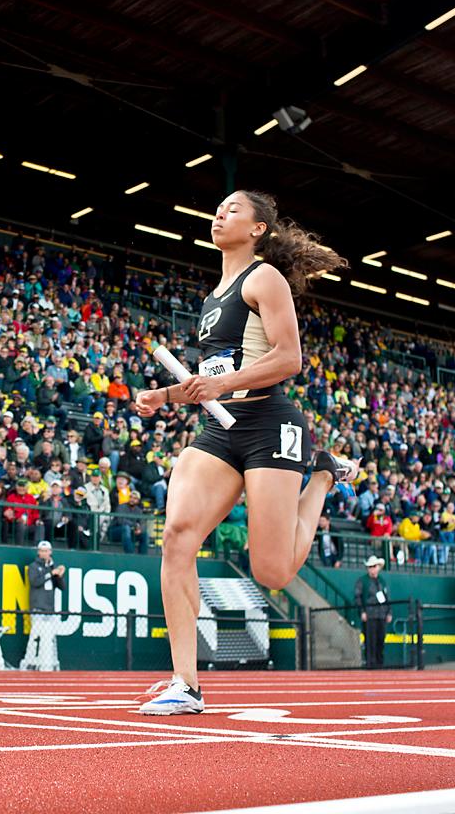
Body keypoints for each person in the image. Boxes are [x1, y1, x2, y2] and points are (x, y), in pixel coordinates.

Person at [135, 191, 358, 715]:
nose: (219, 213)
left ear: (258, 230)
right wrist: (164, 396)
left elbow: (289, 358)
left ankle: (322, 475)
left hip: (269, 425)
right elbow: (212, 378)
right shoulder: (216, 295)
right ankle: (184, 682)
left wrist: (223, 384)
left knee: (272, 572)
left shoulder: (264, 279)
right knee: (177, 536)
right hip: (220, 430)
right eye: (217, 207)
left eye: (234, 209)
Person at [20, 540, 64, 671]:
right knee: (36, 636)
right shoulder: (34, 566)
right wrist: (50, 574)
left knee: (49, 638)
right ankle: (31, 663)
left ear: (50, 552)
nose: (44, 553)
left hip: (49, 608)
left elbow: (62, 587)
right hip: (38, 607)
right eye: (42, 551)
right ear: (38, 552)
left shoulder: (52, 566)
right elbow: (34, 582)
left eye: (47, 551)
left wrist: (59, 576)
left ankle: (47, 664)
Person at [354, 555, 392, 669]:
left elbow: (387, 598)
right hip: (370, 615)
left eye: (374, 566)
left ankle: (379, 664)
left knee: (381, 640)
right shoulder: (362, 581)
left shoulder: (382, 581)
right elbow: (358, 597)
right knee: (370, 641)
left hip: (381, 615)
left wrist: (389, 612)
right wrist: (362, 611)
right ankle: (370, 664)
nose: (372, 569)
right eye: (370, 567)